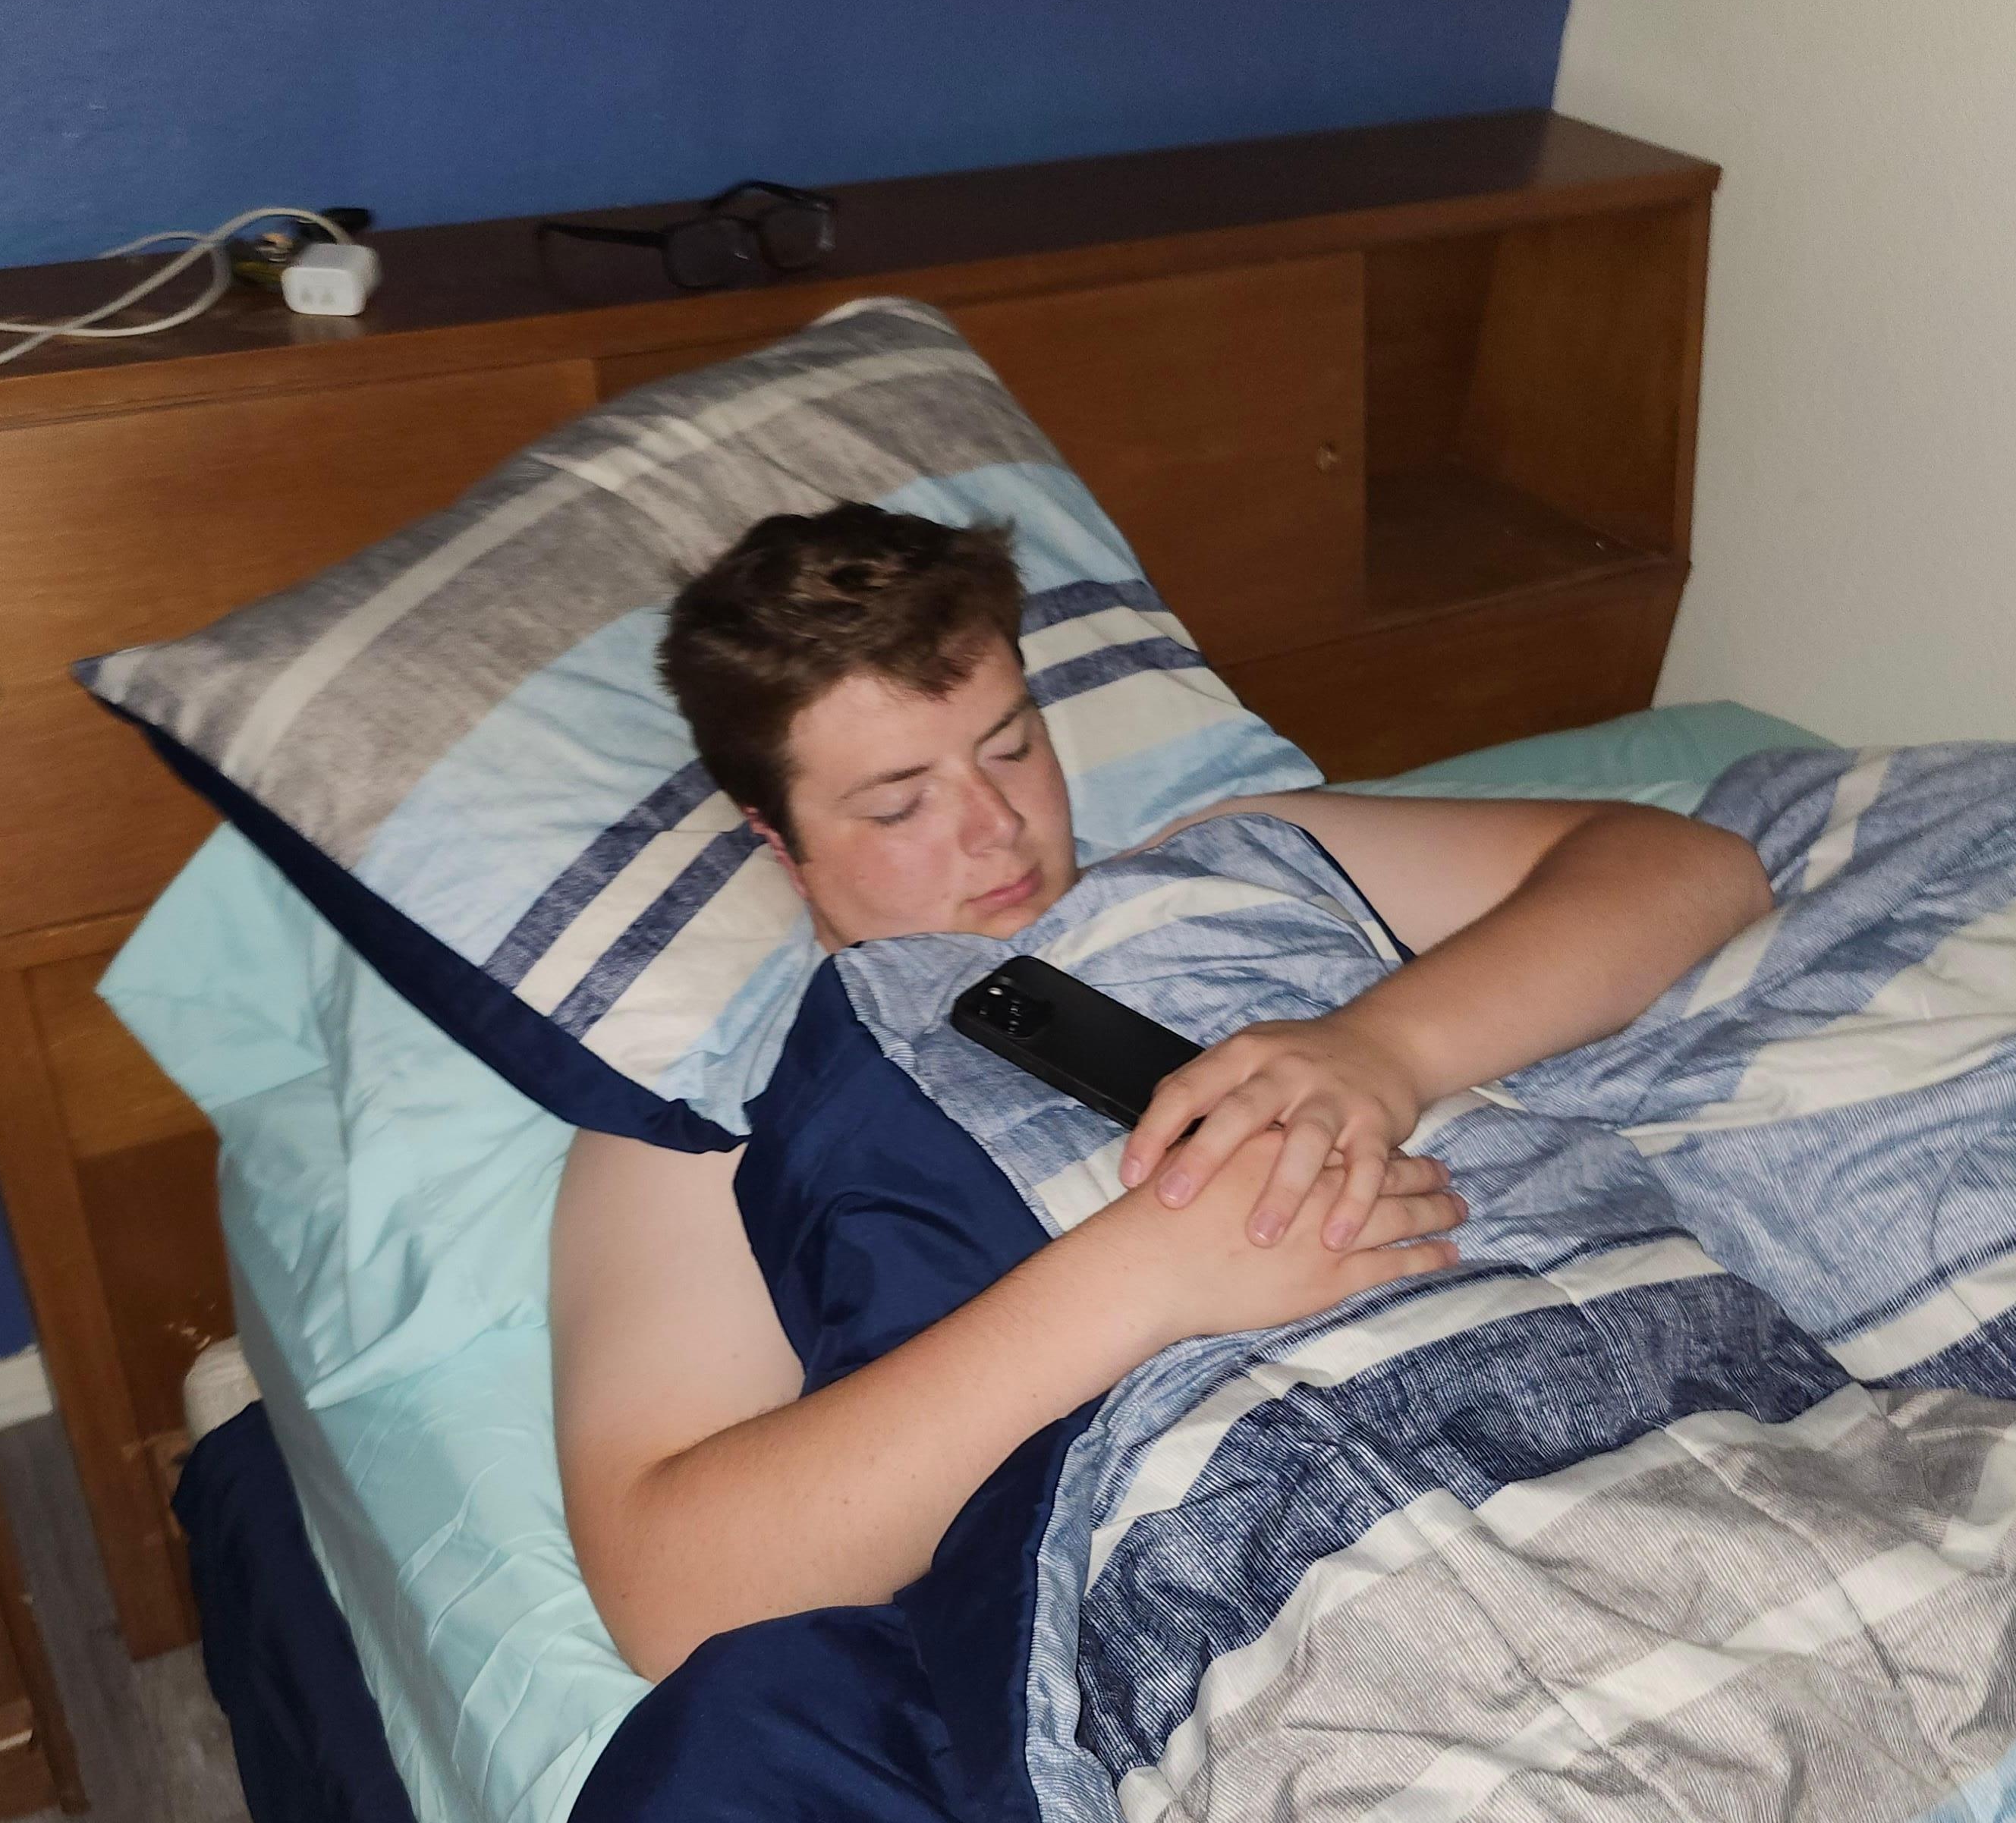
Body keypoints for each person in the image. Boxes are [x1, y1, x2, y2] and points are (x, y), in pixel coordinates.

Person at [553, 504, 1772, 1677]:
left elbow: (1692, 868)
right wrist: (1151, 1275)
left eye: (1011, 746)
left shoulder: (1230, 858)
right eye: (900, 803)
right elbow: (667, 1592)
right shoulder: (721, 1113)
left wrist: (1383, 1048)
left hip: (1666, 1406)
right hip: (1310, 1594)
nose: (997, 827)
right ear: (776, 840)